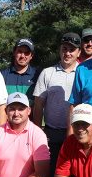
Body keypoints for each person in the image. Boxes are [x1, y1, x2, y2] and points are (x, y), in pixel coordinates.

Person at [31, 33, 81, 168]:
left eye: (72, 50)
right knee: (51, 170)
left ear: (79, 52)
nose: (68, 53)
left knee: (73, 171)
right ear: (60, 50)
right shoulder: (47, 72)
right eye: (65, 49)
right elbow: (38, 104)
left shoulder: (83, 73)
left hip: (77, 132)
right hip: (51, 132)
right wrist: (38, 131)